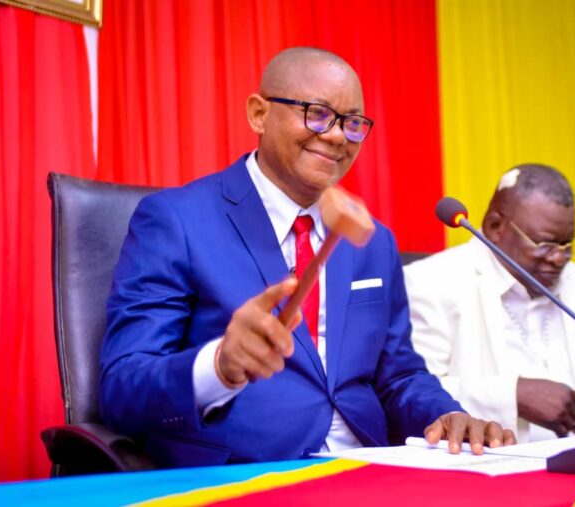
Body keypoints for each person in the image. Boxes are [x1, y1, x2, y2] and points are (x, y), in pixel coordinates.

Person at [99, 47, 514, 468]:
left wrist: (447, 415)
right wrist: (219, 366)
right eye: (317, 114)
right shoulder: (176, 220)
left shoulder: (373, 242)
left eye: (353, 123)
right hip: (247, 473)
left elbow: (399, 375)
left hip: (368, 466)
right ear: (259, 114)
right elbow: (122, 387)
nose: (336, 136)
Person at [404, 164, 575, 442]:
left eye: (567, 245)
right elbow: (410, 392)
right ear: (495, 226)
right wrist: (512, 396)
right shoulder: (431, 282)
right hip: (485, 461)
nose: (558, 258)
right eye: (544, 244)